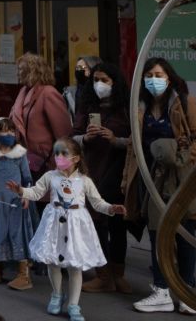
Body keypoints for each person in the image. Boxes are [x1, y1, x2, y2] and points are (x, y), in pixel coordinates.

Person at [123, 58, 196, 315]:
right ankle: (162, 290)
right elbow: (134, 145)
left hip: (179, 177)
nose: (154, 79)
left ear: (169, 77)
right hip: (151, 177)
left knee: (183, 232)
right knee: (157, 234)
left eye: (159, 74)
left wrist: (181, 157)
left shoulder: (184, 102)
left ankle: (187, 290)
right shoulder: (139, 106)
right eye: (149, 75)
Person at [8, 138, 126, 321]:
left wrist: (111, 208)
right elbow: (37, 192)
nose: (59, 157)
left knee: (74, 265)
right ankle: (56, 294)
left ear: (76, 158)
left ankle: (73, 304)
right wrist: (21, 191)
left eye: (64, 154)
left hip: (76, 227)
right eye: (56, 153)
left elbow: (97, 202)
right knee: (53, 261)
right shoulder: (50, 176)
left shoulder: (84, 181)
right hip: (54, 224)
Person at [73, 61, 132, 294]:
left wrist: (115, 139)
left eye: (104, 80)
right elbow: (73, 136)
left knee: (118, 223)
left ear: (114, 83)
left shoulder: (126, 108)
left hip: (117, 172)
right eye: (95, 80)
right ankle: (103, 274)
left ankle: (119, 274)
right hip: (93, 170)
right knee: (97, 223)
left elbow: (136, 142)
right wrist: (85, 138)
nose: (99, 85)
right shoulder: (86, 106)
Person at [0, 117, 36, 290]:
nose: (9, 134)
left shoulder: (20, 153)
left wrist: (26, 195)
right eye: (4, 130)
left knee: (18, 233)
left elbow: (27, 178)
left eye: (12, 131)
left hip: (16, 201)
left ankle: (23, 273)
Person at [10, 53, 72, 181]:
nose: (17, 73)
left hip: (46, 164)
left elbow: (63, 134)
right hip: (26, 162)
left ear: (32, 71)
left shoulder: (48, 93)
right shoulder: (23, 91)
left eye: (21, 70)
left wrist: (56, 164)